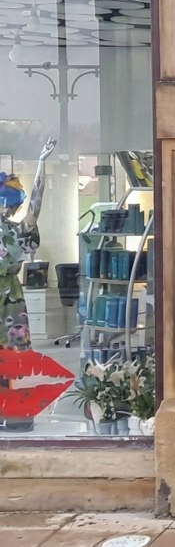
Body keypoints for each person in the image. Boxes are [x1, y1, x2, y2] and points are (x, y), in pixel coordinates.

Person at [0, 138, 57, 432]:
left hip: (9, 298)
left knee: (16, 356)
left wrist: (42, 163)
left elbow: (37, 201)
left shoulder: (17, 231)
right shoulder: (14, 232)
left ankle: (19, 413)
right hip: (10, 296)